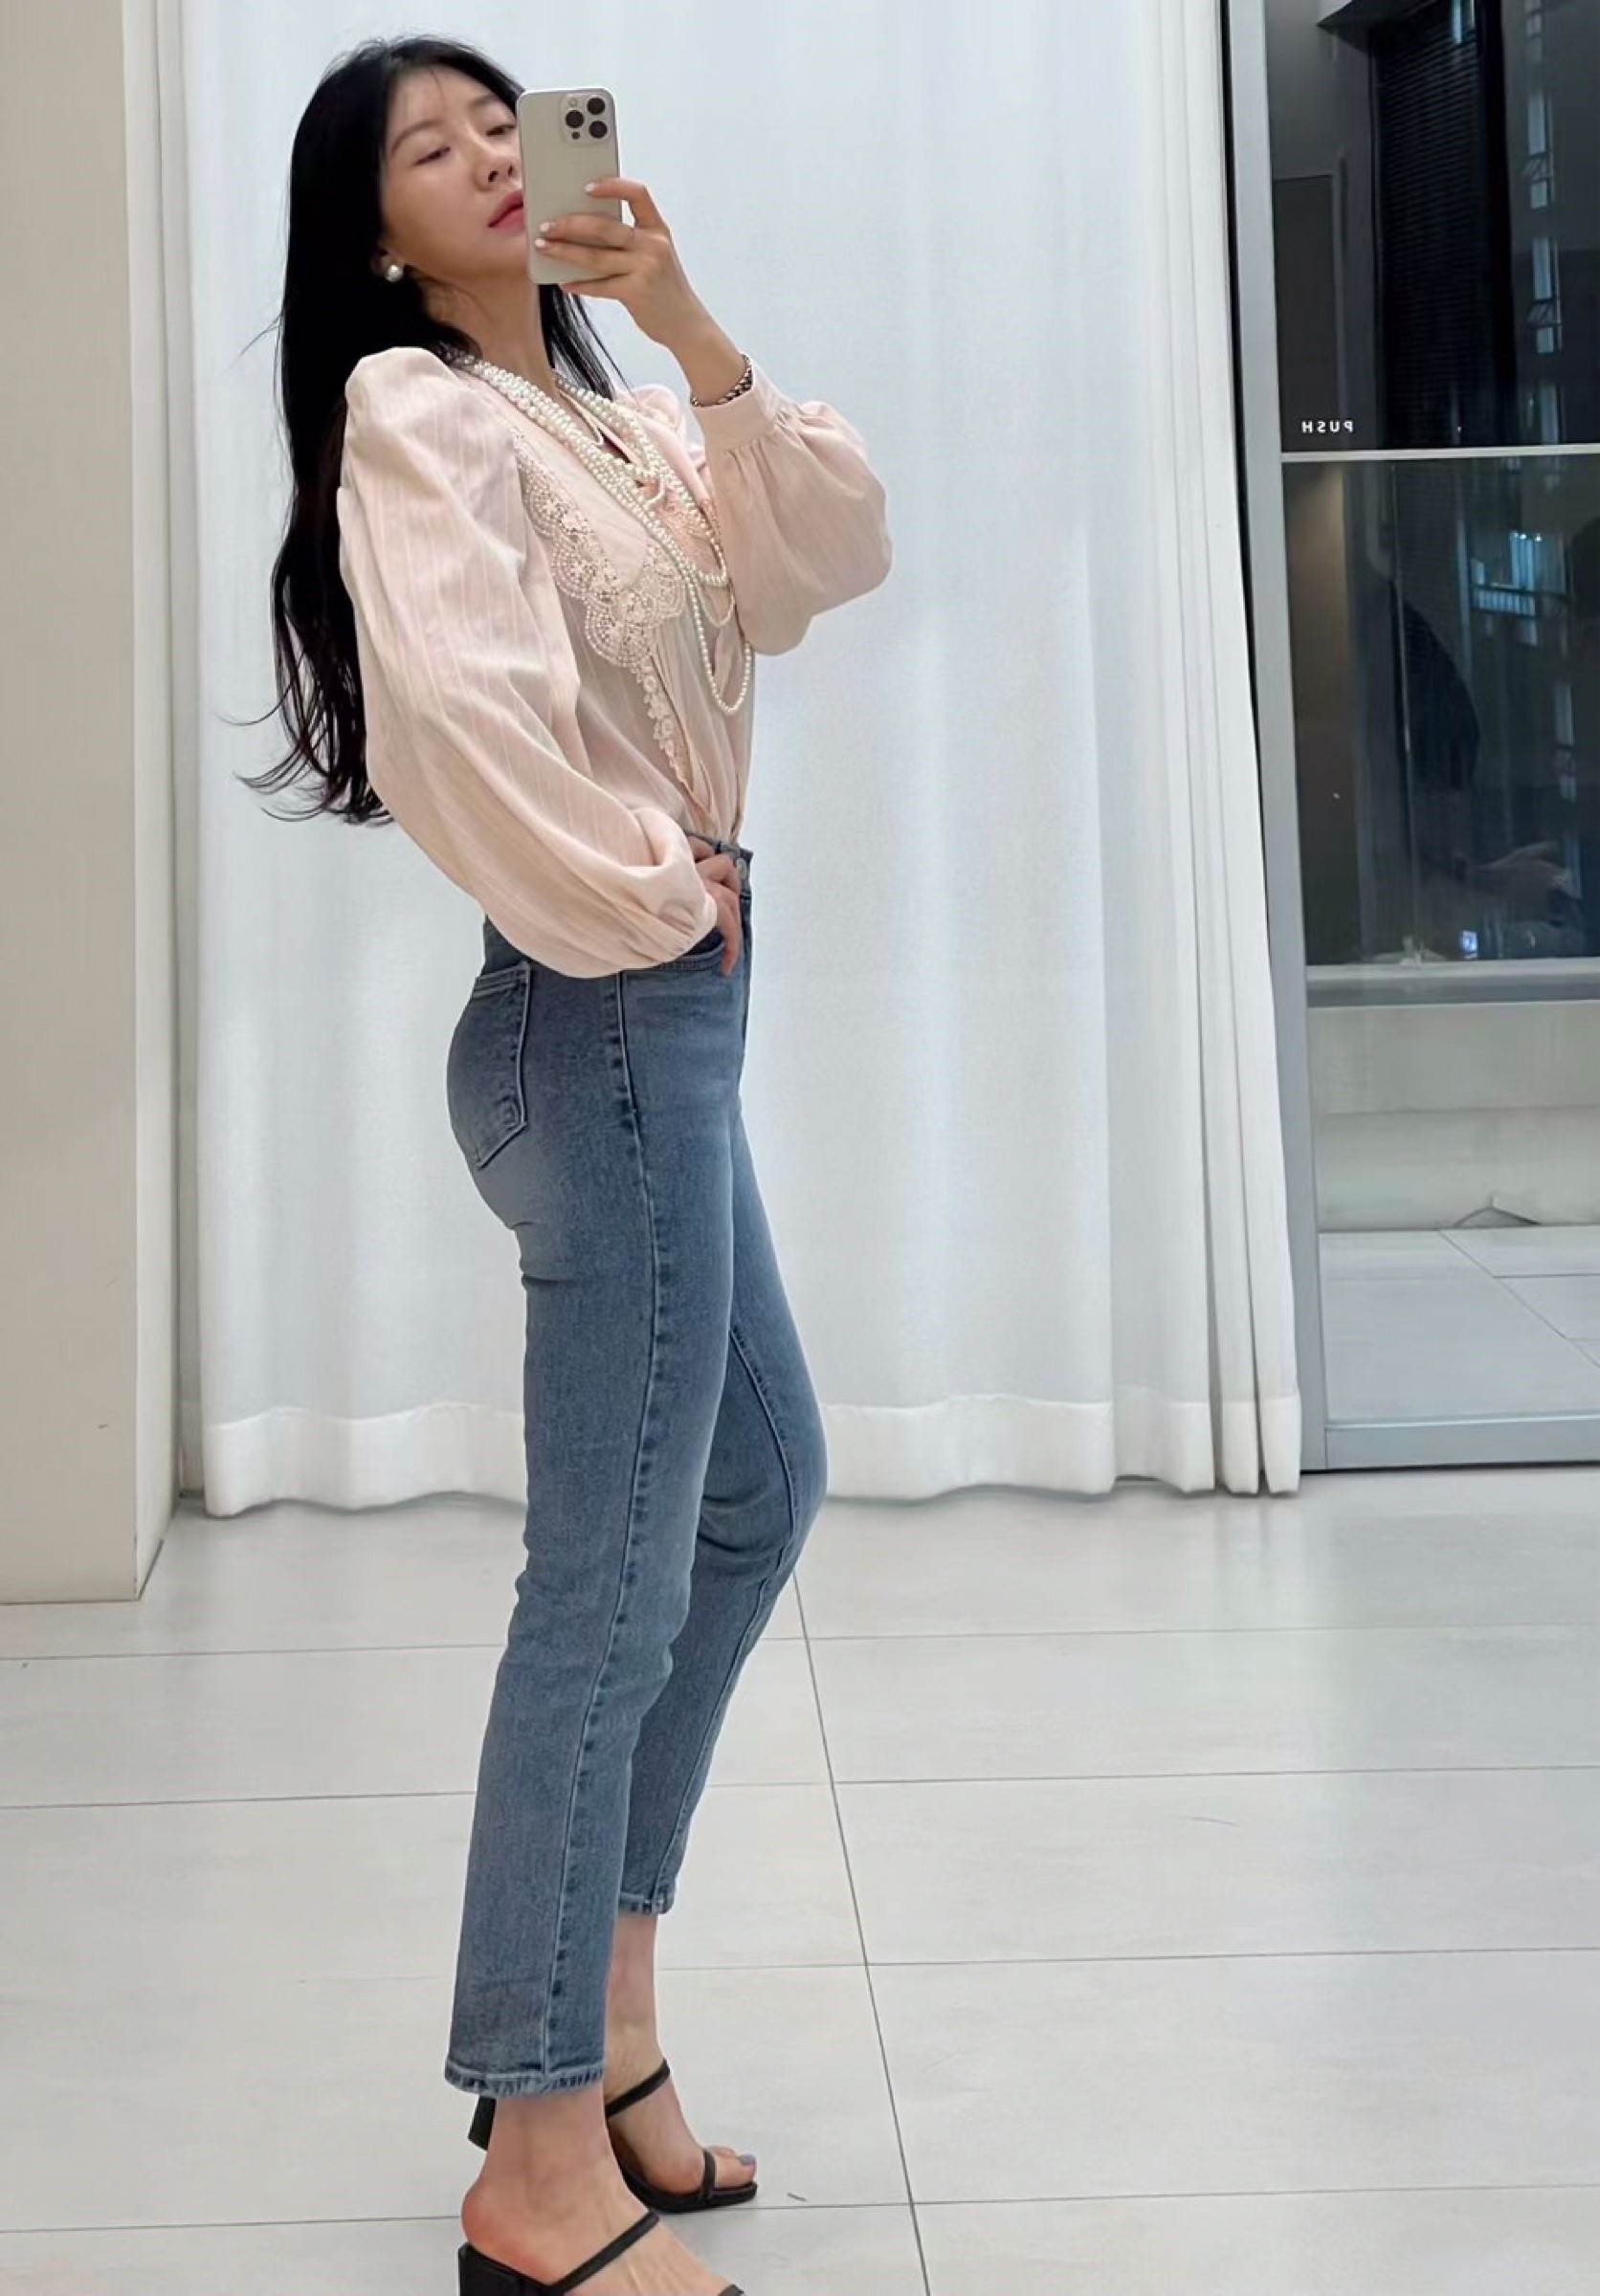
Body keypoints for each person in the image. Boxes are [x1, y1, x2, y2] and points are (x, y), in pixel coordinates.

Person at [256, 34, 892, 2296]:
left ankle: (606, 2031)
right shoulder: (415, 410)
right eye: (427, 151)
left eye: (495, 124)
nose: (484, 161)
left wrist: (689, 321)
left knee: (756, 1488)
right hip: (597, 1013)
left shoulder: (613, 415)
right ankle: (534, 2164)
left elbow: (821, 559)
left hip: (662, 1022)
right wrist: (651, 890)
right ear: (374, 236)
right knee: (604, 1590)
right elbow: (456, 720)